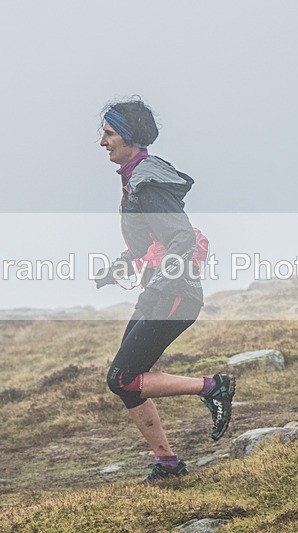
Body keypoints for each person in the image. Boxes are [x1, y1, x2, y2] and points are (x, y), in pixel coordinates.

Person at [96, 98, 235, 481]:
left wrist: (164, 277)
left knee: (121, 377)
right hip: (159, 291)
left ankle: (213, 386)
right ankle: (168, 463)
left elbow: (181, 236)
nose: (103, 142)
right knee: (126, 382)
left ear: (128, 136)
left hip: (172, 293)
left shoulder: (147, 180)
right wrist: (122, 264)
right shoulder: (135, 176)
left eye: (109, 134)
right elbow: (147, 243)